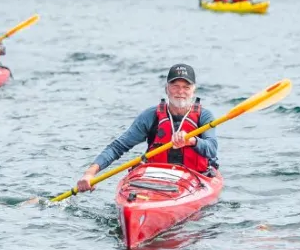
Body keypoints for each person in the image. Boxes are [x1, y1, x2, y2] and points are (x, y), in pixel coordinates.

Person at [76, 63, 219, 192]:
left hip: (194, 178)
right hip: (155, 179)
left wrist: (192, 141)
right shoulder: (151, 116)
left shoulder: (204, 117)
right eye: (175, 86)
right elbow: (118, 147)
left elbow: (211, 149)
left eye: (186, 87)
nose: (180, 91)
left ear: (193, 90)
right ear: (166, 89)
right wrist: (90, 173)